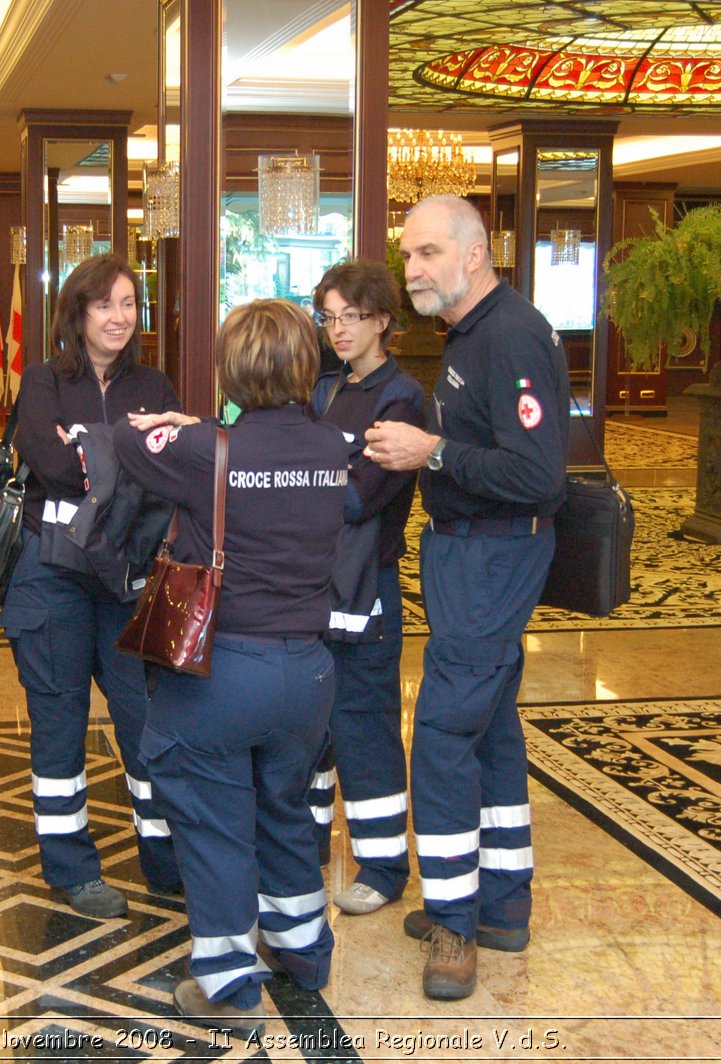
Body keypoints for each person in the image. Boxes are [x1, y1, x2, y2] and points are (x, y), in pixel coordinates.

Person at [117, 300, 358, 1038]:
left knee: (215, 818)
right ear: (304, 367)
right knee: (286, 808)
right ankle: (302, 952)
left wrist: (167, 427)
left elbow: (126, 451)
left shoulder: (204, 453)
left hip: (224, 672)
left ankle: (225, 984)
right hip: (309, 676)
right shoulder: (330, 448)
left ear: (230, 370)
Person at [364, 194, 569, 1001]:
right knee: (490, 732)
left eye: (426, 254)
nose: (411, 269)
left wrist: (431, 451)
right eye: (408, 256)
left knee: (444, 732)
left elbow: (539, 476)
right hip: (466, 557)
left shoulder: (512, 333)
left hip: (494, 558)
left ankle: (454, 923)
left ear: (474, 254)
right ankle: (500, 906)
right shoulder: (472, 333)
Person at [2, 254, 182, 918]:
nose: (119, 317)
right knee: (59, 723)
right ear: (78, 314)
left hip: (129, 578)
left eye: (129, 304)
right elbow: (49, 464)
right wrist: (123, 454)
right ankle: (71, 867)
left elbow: (169, 472)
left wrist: (90, 449)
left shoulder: (155, 383)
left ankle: (164, 857)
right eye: (104, 304)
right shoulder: (44, 379)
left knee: (146, 720)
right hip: (54, 577)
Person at [306, 260, 424, 916]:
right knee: (314, 716)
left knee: (364, 720)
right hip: (318, 578)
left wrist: (313, 476)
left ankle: (382, 866)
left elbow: (361, 498)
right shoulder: (326, 391)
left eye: (352, 316)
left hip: (367, 582)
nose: (339, 329)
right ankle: (312, 842)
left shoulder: (399, 396)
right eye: (329, 316)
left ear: (383, 320)